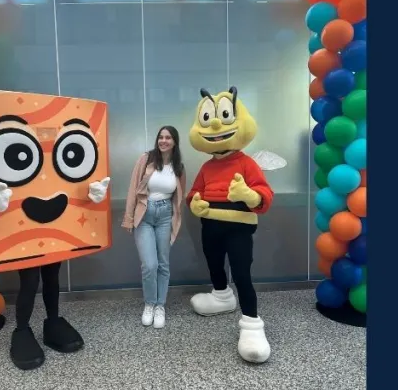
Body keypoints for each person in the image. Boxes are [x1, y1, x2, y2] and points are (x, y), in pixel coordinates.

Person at [186, 86, 285, 364]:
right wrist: (194, 202)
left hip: (239, 227)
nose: (216, 124)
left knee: (242, 273)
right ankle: (221, 296)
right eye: (209, 118)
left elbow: (265, 198)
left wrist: (248, 195)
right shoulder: (206, 167)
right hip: (210, 227)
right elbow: (193, 192)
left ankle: (252, 324)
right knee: (214, 263)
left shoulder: (247, 163)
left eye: (225, 116)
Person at [122, 126, 186, 329]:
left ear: (174, 142)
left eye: (168, 138)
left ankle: (160, 305)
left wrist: (177, 219)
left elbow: (179, 197)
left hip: (166, 215)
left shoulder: (179, 167)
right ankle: (149, 303)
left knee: (163, 264)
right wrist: (129, 217)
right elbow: (133, 188)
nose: (164, 141)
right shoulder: (146, 159)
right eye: (161, 137)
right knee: (149, 265)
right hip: (145, 213)